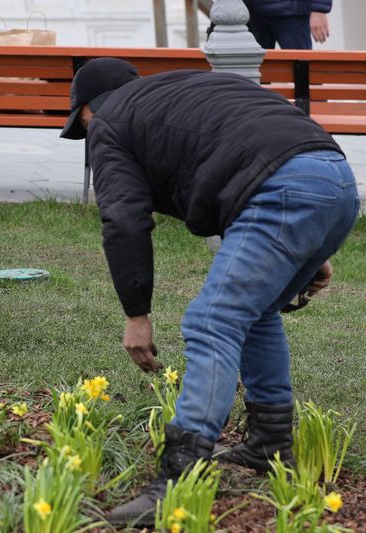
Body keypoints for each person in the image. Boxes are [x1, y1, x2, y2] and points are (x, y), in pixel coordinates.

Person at [61, 58, 359, 527]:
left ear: (87, 111)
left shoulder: (109, 121)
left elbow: (123, 219)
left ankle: (179, 477)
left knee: (211, 321)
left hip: (285, 189)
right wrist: (308, 239)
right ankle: (270, 441)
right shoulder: (183, 91)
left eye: (80, 124)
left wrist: (136, 314)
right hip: (335, 180)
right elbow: (259, 150)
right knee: (255, 311)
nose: (87, 134)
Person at [245, 0, 332, 49]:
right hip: (251, 12)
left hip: (292, 12)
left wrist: (319, 9)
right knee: (252, 75)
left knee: (301, 72)